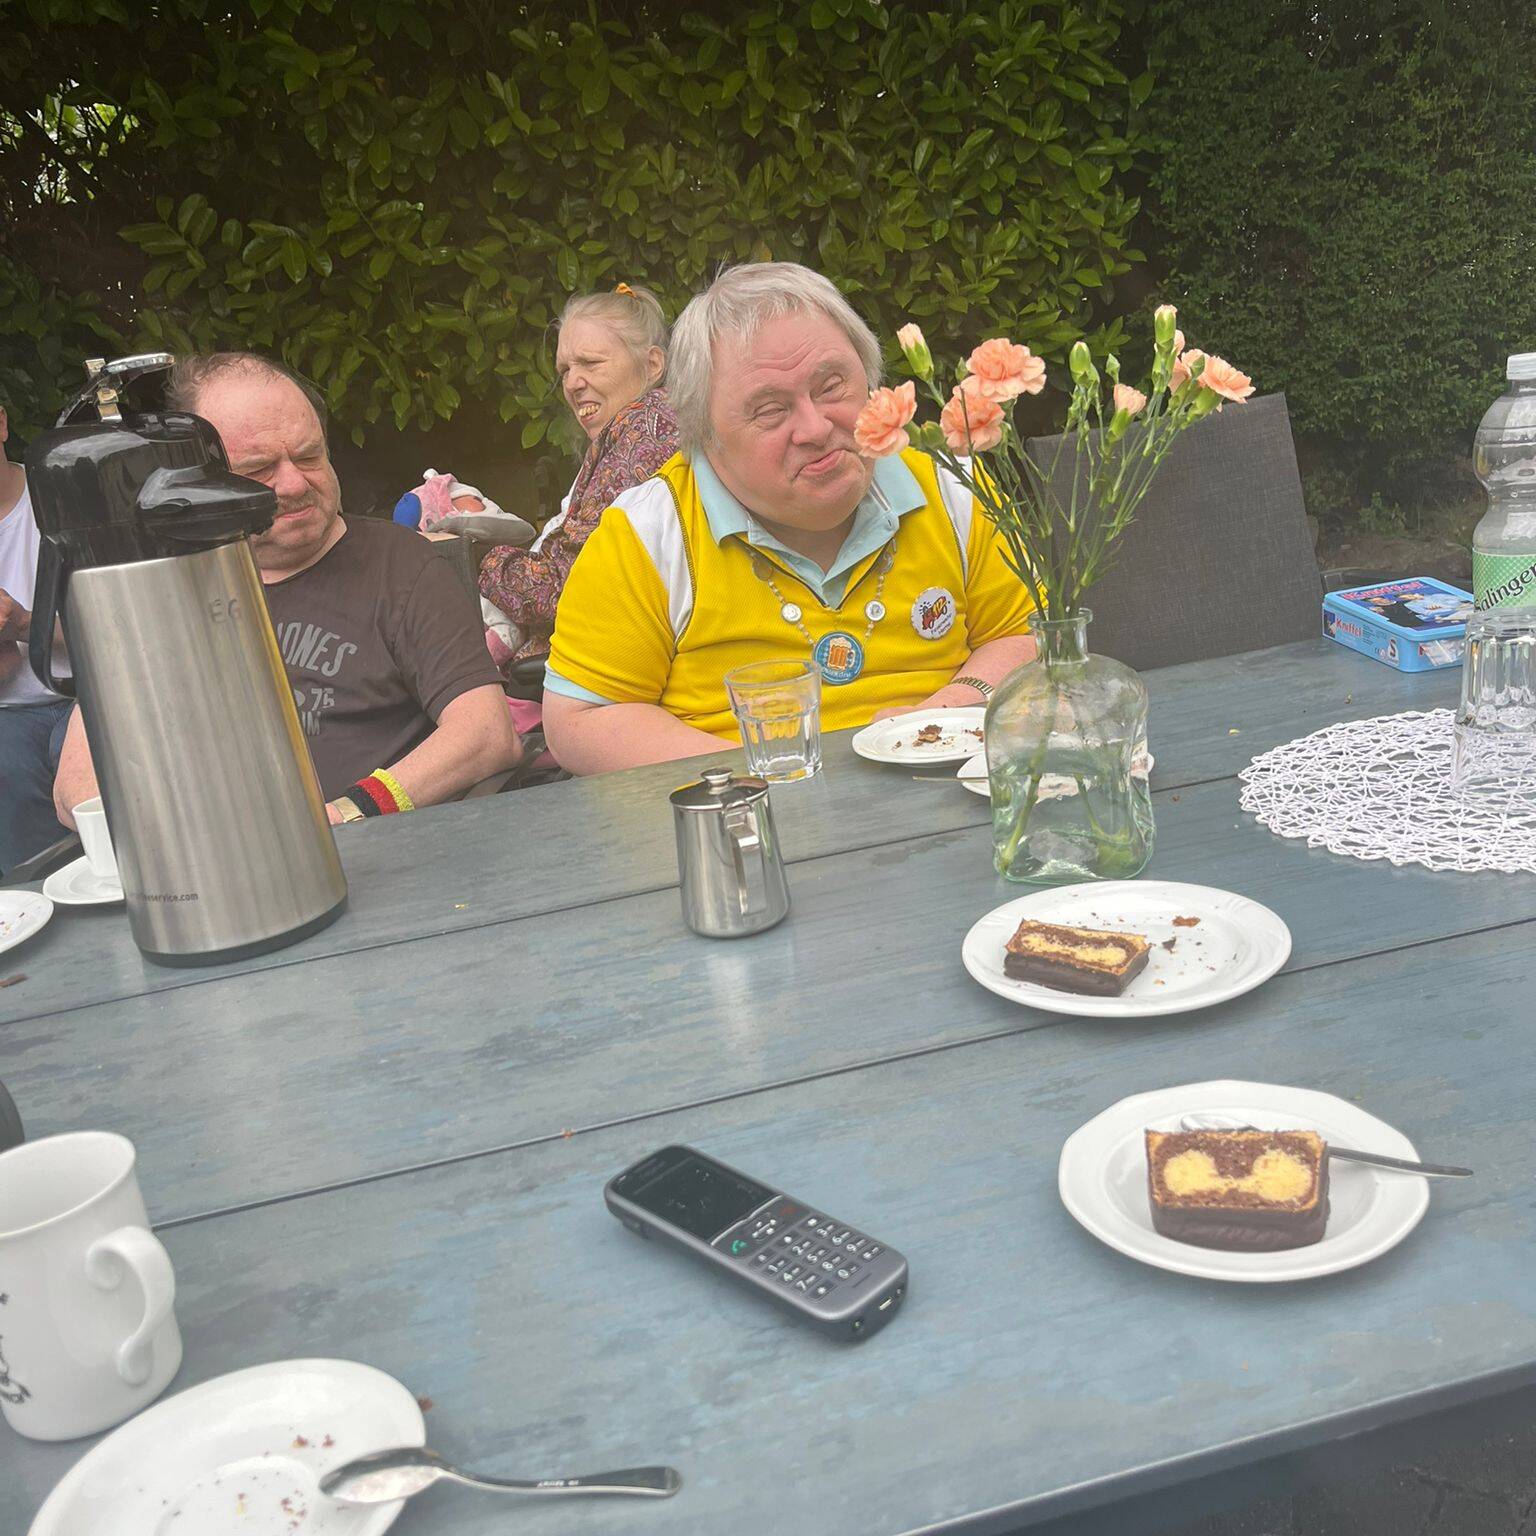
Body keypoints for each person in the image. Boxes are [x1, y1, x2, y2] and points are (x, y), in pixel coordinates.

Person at [542, 262, 1037, 775]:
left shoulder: (949, 486)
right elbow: (580, 720)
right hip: (746, 825)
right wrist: (767, 773)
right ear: (703, 438)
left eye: (831, 386)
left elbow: (1030, 636)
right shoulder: (647, 533)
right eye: (770, 410)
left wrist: (946, 712)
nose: (816, 427)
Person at [53, 353, 520, 828]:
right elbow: (77, 786)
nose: (295, 483)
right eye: (259, 470)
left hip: (370, 852)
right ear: (196, 480)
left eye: (309, 456)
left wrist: (346, 814)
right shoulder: (154, 585)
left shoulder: (401, 565)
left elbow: (485, 734)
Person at [478, 283, 678, 669]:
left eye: (590, 363)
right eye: (565, 370)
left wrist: (479, 559)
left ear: (653, 364)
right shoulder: (658, 426)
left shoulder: (642, 438)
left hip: (596, 685)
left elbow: (565, 587)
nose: (571, 383)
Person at [0, 399, 74, 872]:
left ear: (2, 421)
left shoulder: (63, 493)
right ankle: (28, 905)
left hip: (90, 692)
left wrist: (25, 623)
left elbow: (121, 623)